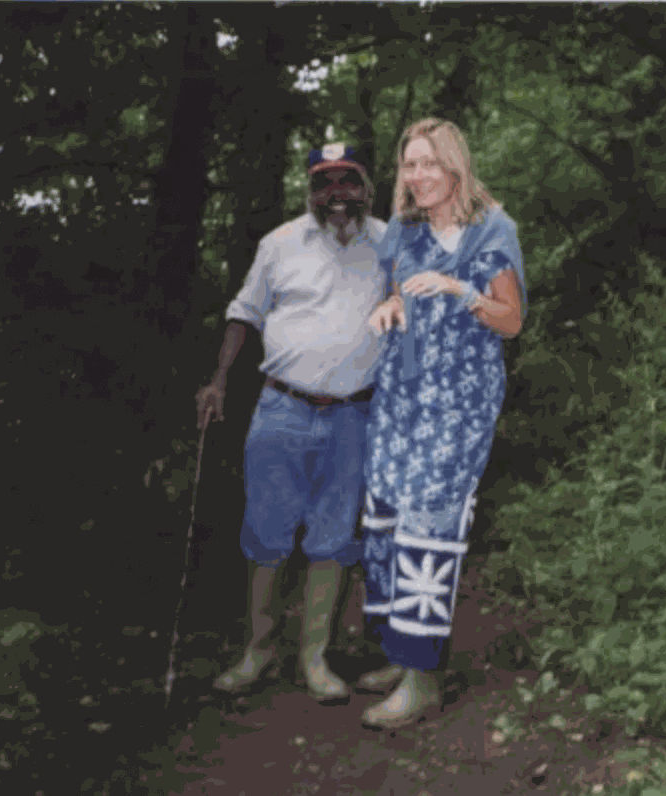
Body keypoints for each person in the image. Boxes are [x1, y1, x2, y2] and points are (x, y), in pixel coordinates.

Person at [194, 142, 388, 704]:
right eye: (324, 184)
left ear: (366, 186)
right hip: (280, 409)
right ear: (310, 191)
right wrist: (218, 381)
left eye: (347, 181)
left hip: (355, 414)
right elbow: (243, 312)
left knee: (334, 539)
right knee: (266, 533)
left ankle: (315, 658)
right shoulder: (278, 244)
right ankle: (257, 650)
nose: (337, 195)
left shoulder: (390, 243)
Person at [356, 118, 525, 729]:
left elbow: (511, 321)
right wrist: (391, 305)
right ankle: (398, 654)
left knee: (430, 522)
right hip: (400, 397)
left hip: (457, 406)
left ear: (455, 166)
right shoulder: (403, 232)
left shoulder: (492, 230)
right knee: (386, 522)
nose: (417, 175)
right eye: (409, 164)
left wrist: (461, 289)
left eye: (429, 162)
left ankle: (422, 678)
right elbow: (398, 294)